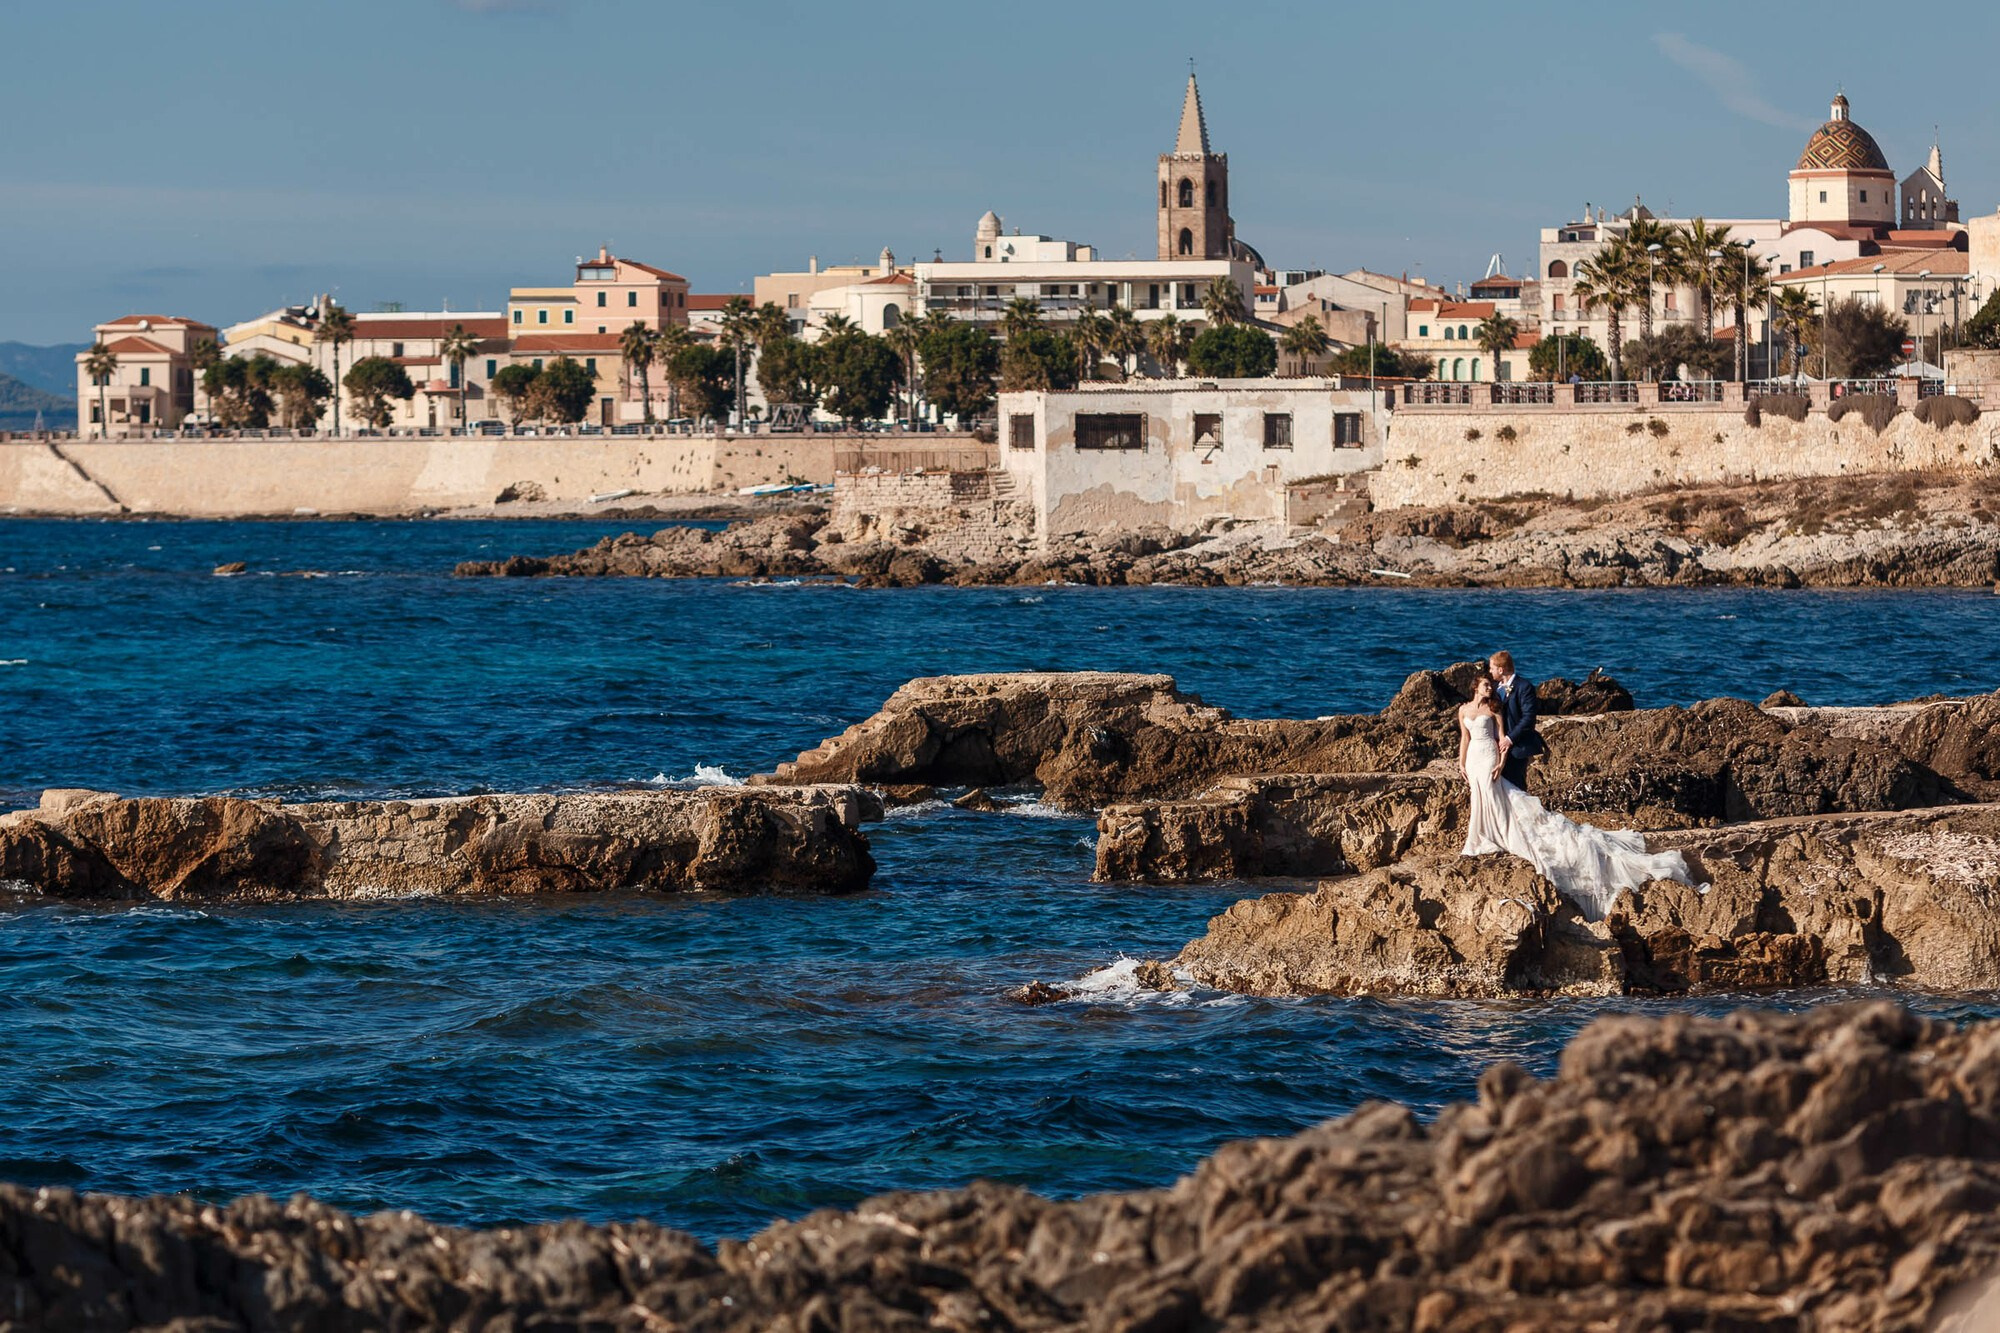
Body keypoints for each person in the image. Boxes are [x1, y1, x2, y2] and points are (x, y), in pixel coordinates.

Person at [1457, 673, 1700, 921]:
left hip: (1489, 757)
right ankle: (1480, 834)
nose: (1491, 688)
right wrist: (1461, 763)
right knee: (1478, 797)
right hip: (1474, 758)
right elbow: (1464, 739)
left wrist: (1500, 763)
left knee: (1490, 793)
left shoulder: (1494, 709)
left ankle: (1494, 833)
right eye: (1486, 685)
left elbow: (1502, 741)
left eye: (1491, 684)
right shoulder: (1464, 710)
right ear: (1475, 687)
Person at [1487, 651, 1543, 792]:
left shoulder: (1524, 687)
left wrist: (1509, 739)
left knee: (1516, 787)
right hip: (1495, 745)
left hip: (1517, 746)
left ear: (1501, 669)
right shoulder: (1493, 688)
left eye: (1492, 668)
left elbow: (1528, 717)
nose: (1490, 671)